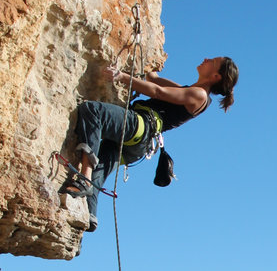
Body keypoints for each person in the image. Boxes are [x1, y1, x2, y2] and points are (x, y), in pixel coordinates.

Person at [60, 56, 239, 230]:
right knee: (104, 159)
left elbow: (157, 91)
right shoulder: (190, 90)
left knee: (93, 111)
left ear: (216, 76)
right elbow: (154, 80)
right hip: (140, 142)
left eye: (213, 62)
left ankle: (84, 179)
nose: (206, 59)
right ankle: (88, 215)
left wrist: (122, 76)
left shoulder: (199, 94)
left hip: (142, 125)